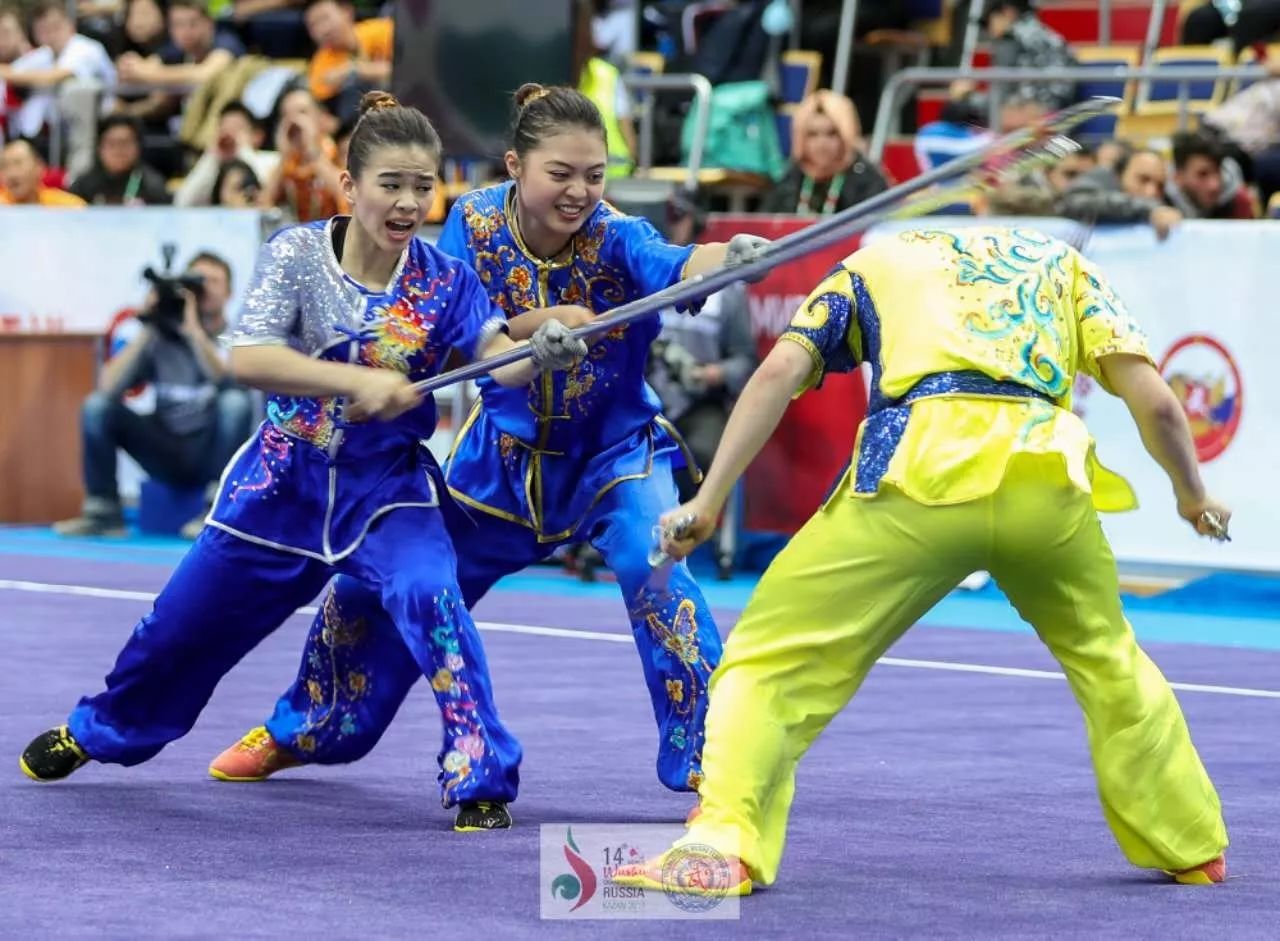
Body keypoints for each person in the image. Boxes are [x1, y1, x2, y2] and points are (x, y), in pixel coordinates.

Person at [19, 91, 593, 835]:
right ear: (349, 186)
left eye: (424, 186)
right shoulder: (294, 254)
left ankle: (480, 774)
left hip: (386, 490)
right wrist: (356, 380)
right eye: (391, 184)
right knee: (177, 634)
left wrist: (537, 350)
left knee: (431, 594)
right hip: (279, 488)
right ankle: (96, 731)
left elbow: (491, 358)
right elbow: (250, 357)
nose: (410, 202)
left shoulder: (445, 280)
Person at [206, 84, 772, 826]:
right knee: (383, 587)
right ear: (515, 165)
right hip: (497, 467)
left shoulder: (620, 234)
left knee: (659, 571)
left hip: (615, 459)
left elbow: (678, 260)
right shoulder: (470, 223)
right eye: (560, 173)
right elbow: (453, 319)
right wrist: (540, 324)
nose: (580, 191)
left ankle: (715, 775)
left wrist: (727, 256)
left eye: (594, 175)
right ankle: (304, 728)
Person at [614, 225, 1230, 896]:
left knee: (767, 656)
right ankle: (1192, 843)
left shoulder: (875, 261)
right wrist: (1192, 496)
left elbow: (779, 372)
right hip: (1044, 484)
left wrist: (707, 499)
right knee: (1110, 657)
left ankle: (722, 842)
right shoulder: (1062, 264)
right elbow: (1159, 403)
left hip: (916, 478)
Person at [53, 251, 255, 538]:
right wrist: (150, 324)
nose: (204, 288)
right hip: (165, 446)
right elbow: (108, 387)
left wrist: (193, 332)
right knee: (97, 407)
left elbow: (227, 379)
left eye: (213, 281)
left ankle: (216, 511)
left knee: (234, 403)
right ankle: (103, 514)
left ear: (230, 293)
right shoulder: (159, 335)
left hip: (212, 449)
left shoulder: (239, 334)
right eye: (198, 281)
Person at [758, 90, 887, 216]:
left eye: (831, 134)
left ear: (846, 136)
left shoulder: (866, 180)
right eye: (812, 134)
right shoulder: (791, 179)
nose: (822, 144)